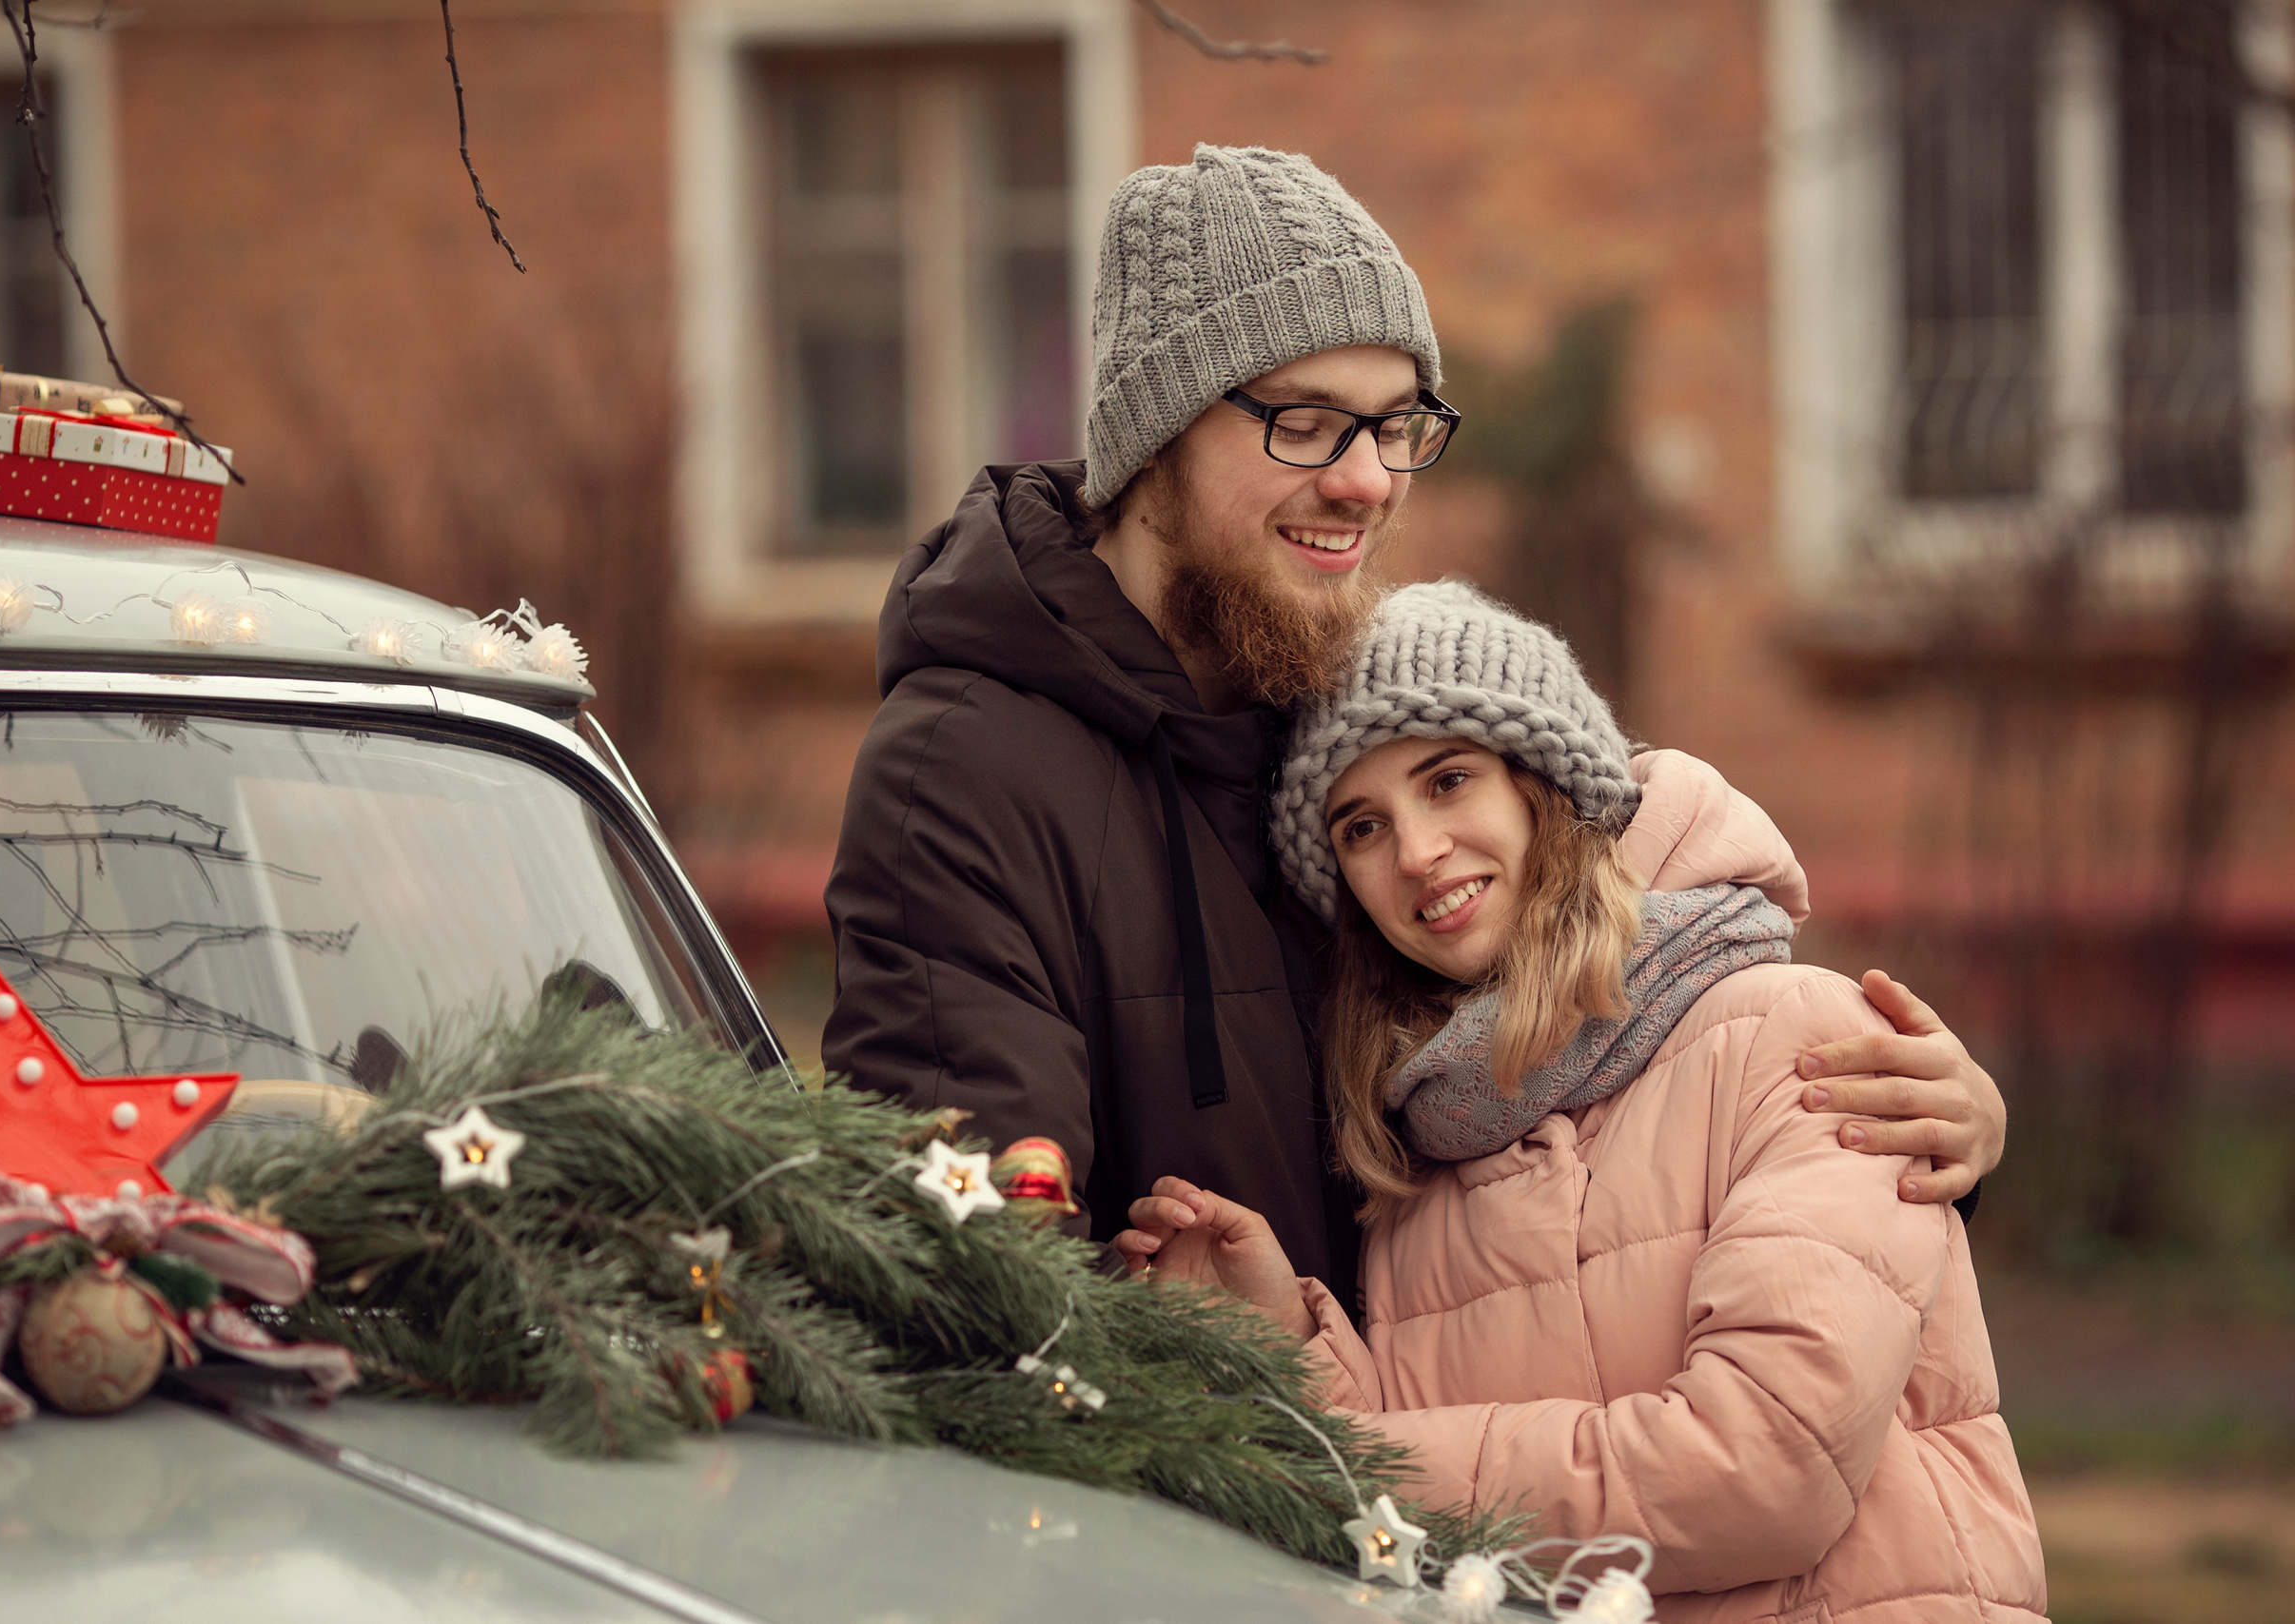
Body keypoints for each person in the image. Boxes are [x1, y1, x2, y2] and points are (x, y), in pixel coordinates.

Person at [823, 143, 2008, 1300]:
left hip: (1452, 1480)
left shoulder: (1358, 714)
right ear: (1155, 439)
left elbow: (1616, 1003)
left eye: (1397, 426)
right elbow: (961, 1269)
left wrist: (1908, 1121)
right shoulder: (965, 771)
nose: (1369, 482)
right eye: (1305, 421)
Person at [1113, 581, 2047, 1621]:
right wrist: (1277, 1345)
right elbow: (1422, 1534)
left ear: (1544, 787)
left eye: (1449, 779)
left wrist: (1322, 1471)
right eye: (1360, 826)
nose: (1415, 853)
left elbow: (1767, 1469)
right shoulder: (1417, 1148)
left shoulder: (1796, 1039)